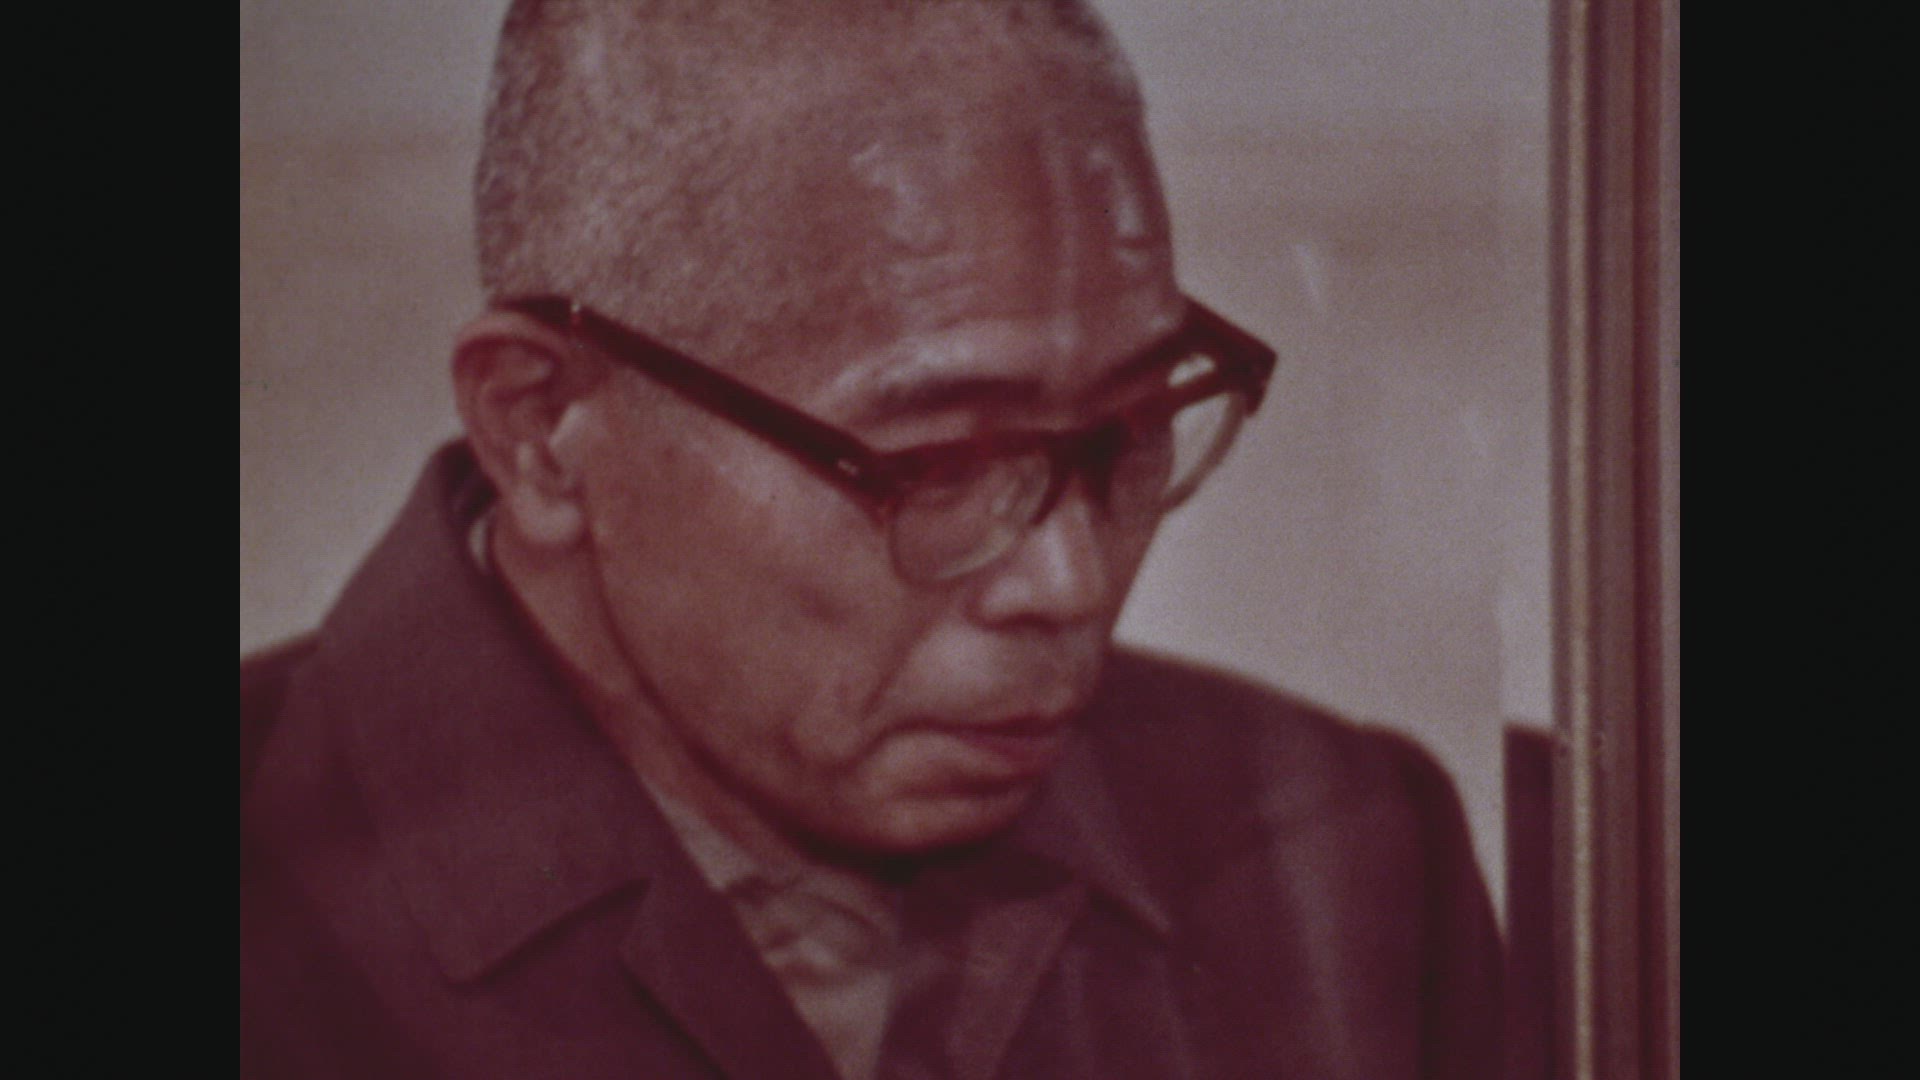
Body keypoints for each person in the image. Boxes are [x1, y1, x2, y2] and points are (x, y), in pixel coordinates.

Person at [239, 1, 1503, 1077]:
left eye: (1129, 432)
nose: (1069, 583)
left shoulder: (1349, 859)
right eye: (937, 463)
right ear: (542, 429)